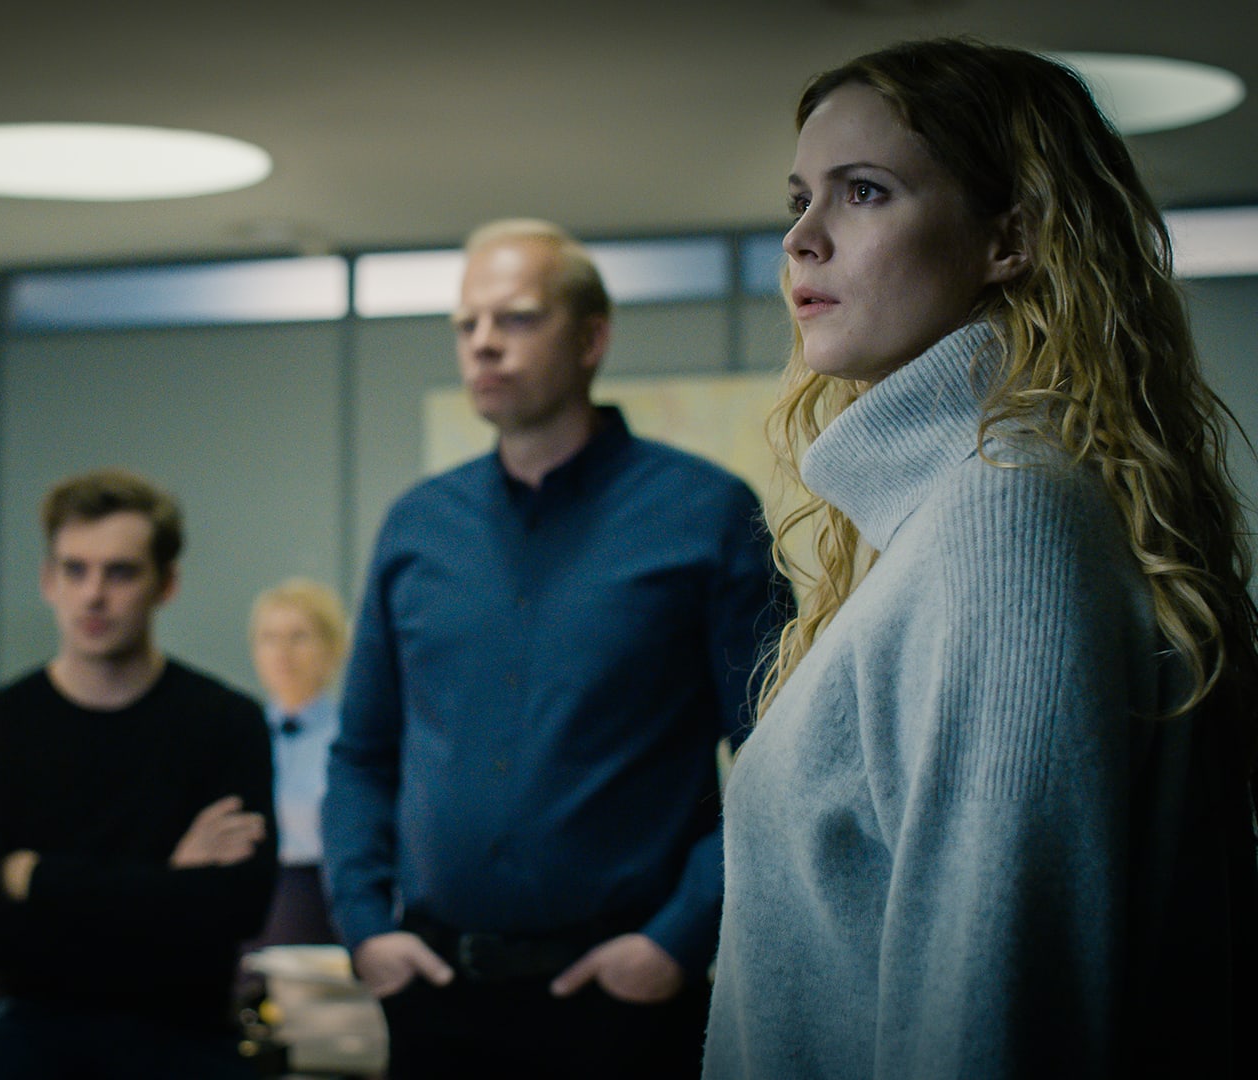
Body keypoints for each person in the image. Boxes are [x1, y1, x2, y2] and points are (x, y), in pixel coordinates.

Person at [703, 39, 1258, 1079]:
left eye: (863, 192)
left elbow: (996, 1021)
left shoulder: (1005, 521)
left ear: (1010, 238)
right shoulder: (957, 507)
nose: (801, 239)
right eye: (800, 199)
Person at [322, 219, 792, 1078]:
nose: (483, 343)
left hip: (624, 1002)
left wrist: (680, 936)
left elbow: (780, 763)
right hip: (435, 993)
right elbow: (362, 753)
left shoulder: (706, 516)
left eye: (517, 318)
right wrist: (362, 924)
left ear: (591, 339)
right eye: (467, 324)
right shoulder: (419, 526)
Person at [0, 468, 276, 1080]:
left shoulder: (227, 723)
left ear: (166, 584)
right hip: (28, 1031)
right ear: (48, 580)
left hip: (184, 1034)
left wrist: (39, 877)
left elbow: (235, 911)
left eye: (120, 573)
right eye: (75, 570)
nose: (93, 595)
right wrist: (169, 882)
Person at [243, 578, 347, 950]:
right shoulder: (241, 734)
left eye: (298, 637)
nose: (282, 653)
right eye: (269, 638)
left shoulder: (350, 739)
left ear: (333, 646)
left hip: (319, 900)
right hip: (247, 897)